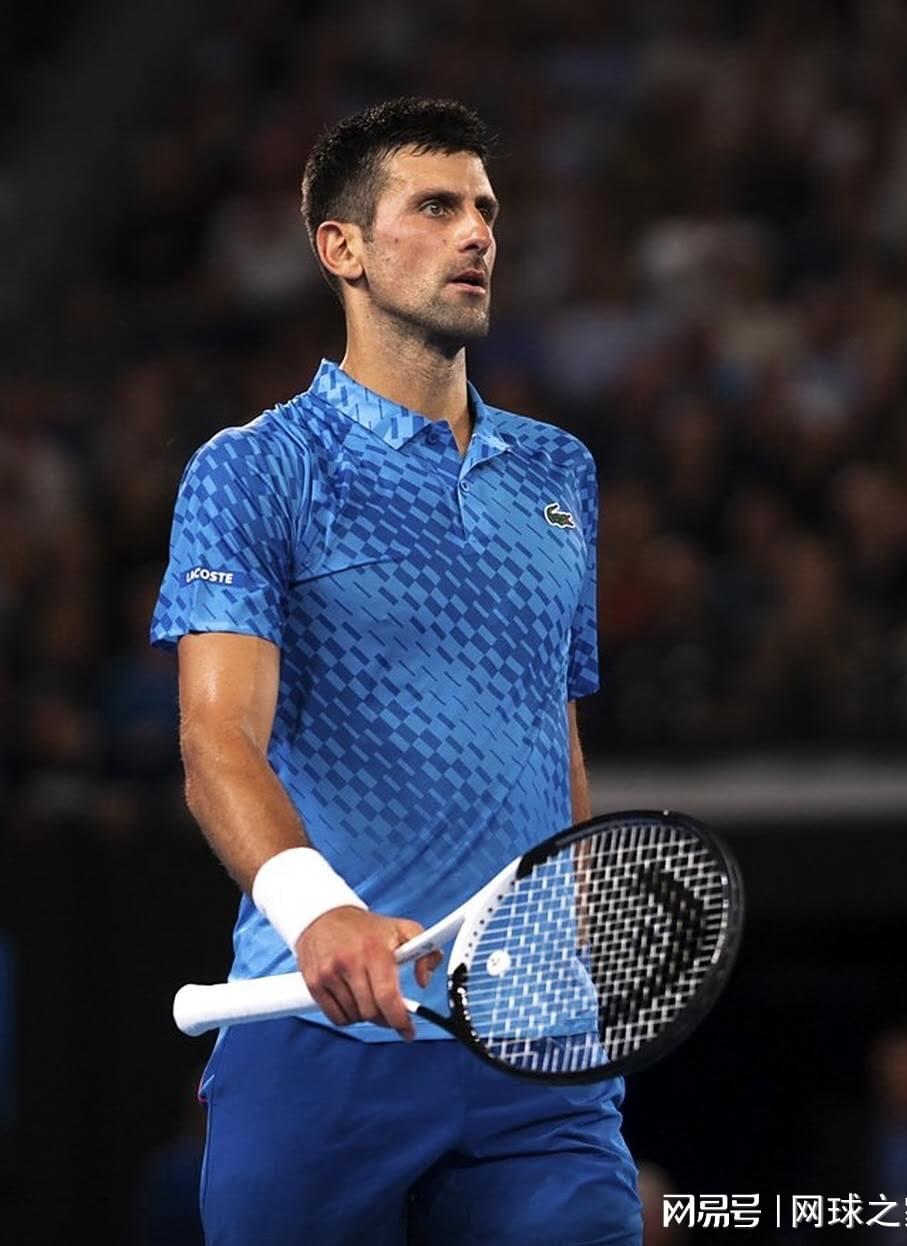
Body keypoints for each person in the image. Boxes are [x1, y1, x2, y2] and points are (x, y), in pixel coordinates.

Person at [150, 96, 642, 1246]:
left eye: (486, 209)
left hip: (533, 1054)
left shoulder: (559, 473)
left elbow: (552, 738)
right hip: (319, 1038)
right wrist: (324, 915)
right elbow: (216, 740)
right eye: (435, 206)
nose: (477, 233)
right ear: (345, 248)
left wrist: (574, 956)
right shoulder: (253, 471)